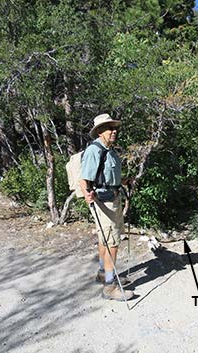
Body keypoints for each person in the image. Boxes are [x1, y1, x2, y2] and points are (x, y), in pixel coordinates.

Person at [79, 113, 134, 301]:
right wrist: (88, 195)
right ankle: (110, 286)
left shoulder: (109, 150)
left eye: (115, 127)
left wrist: (124, 180)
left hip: (113, 197)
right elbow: (84, 179)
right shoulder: (95, 150)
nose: (114, 130)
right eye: (110, 128)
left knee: (105, 239)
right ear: (100, 131)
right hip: (104, 202)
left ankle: (103, 273)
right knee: (112, 243)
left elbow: (107, 176)